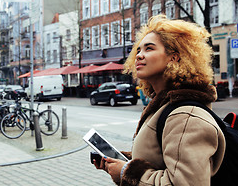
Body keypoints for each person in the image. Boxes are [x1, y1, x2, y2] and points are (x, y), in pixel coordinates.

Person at [93, 15, 226, 185]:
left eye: (149, 49)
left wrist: (126, 173)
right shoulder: (164, 106)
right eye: (138, 50)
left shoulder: (185, 117)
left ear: (174, 57)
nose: (139, 56)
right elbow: (162, 159)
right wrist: (122, 162)